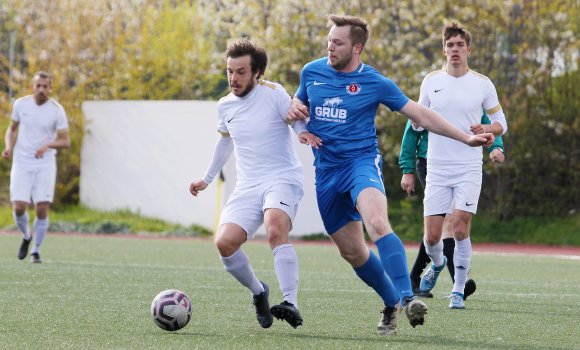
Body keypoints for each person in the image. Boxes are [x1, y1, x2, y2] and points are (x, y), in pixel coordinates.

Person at [286, 15, 494, 335]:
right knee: (352, 251)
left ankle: (408, 298)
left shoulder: (375, 82)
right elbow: (297, 106)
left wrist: (465, 138)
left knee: (378, 222)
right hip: (326, 172)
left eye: (337, 42)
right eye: (329, 40)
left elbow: (421, 114)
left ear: (357, 48)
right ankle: (390, 303)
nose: (330, 46)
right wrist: (299, 124)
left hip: (361, 164)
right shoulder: (311, 71)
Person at [189, 39, 318, 329]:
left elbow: (293, 116)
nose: (234, 78)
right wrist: (206, 179)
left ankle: (290, 302)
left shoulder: (273, 93)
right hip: (248, 185)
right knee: (224, 243)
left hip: (282, 177)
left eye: (241, 72)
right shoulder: (224, 106)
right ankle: (259, 292)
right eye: (230, 71)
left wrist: (302, 132)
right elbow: (224, 143)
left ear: (257, 72)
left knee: (275, 229)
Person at [416, 22, 508, 309]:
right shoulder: (431, 81)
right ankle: (438, 262)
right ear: (444, 50)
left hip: (468, 167)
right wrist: (416, 121)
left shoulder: (482, 83)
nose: (454, 50)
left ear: (468, 49)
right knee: (432, 236)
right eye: (450, 45)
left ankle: (457, 290)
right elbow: (417, 120)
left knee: (459, 228)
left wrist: (487, 127)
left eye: (459, 45)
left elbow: (501, 124)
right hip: (437, 167)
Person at [399, 115, 505, 298]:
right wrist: (407, 169)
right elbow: (411, 133)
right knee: (442, 224)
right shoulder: (433, 94)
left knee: (445, 226)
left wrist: (496, 147)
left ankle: (418, 279)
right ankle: (455, 282)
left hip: (463, 165)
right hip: (431, 164)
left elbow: (490, 124)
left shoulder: (473, 94)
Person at [2, 71, 70, 264]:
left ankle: (36, 251)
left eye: (45, 86)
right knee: (19, 207)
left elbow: (65, 141)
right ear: (33, 86)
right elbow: (12, 129)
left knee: (41, 208)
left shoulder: (57, 110)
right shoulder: (20, 105)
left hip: (45, 163)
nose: (41, 89)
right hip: (22, 162)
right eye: (38, 85)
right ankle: (26, 235)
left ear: (50, 88)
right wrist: (8, 147)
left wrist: (48, 145)